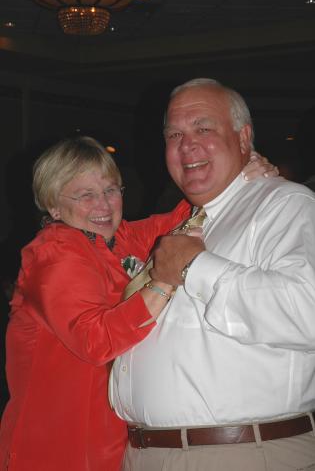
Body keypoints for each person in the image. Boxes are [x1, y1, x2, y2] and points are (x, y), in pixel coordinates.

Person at [0, 135, 276, 471]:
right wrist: (164, 280)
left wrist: (239, 174)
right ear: (54, 206)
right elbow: (96, 340)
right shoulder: (55, 253)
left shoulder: (118, 240)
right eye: (85, 195)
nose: (103, 205)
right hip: (56, 452)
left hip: (110, 448)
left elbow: (184, 217)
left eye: (111, 190)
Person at [111, 78, 315, 471]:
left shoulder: (286, 205)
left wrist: (195, 266)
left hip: (240, 454)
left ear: (244, 138)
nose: (187, 146)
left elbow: (308, 311)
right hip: (145, 453)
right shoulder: (180, 224)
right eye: (174, 134)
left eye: (203, 128)